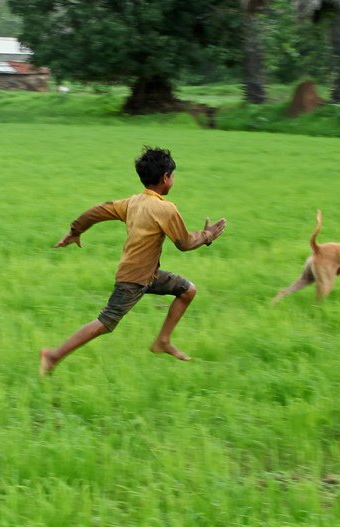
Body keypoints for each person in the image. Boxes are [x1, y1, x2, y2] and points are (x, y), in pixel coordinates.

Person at [40, 147, 225, 375]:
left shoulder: (132, 202)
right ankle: (53, 356)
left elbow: (99, 210)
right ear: (165, 178)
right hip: (134, 278)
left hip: (149, 274)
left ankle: (162, 341)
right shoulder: (165, 209)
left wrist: (76, 230)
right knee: (106, 322)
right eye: (173, 175)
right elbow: (184, 243)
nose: (173, 179)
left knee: (188, 290)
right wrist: (207, 236)